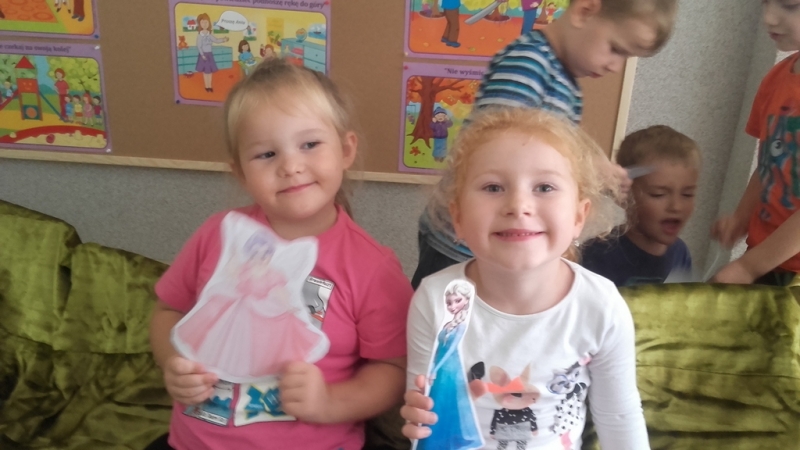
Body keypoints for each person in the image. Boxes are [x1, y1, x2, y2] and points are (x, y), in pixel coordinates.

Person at [146, 58, 413, 450]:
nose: (290, 165)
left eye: (309, 144)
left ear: (345, 150)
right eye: (266, 154)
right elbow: (168, 310)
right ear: (240, 171)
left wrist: (330, 403)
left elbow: (393, 369)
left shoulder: (373, 267)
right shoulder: (217, 234)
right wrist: (173, 361)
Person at [402, 107, 648, 450]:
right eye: (493, 187)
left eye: (544, 187)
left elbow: (619, 419)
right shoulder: (436, 299)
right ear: (458, 218)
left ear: (578, 217)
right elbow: (423, 410)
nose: (518, 205)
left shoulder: (601, 306)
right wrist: (419, 416)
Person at [412, 0, 680, 289]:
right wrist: (587, 166)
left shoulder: (566, 84)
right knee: (445, 313)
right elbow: (495, 150)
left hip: (503, 241)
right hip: (461, 245)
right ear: (585, 11)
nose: (615, 66)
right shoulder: (528, 63)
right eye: (615, 49)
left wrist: (591, 173)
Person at [711, 0, 800, 286]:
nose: (768, 18)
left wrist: (748, 268)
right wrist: (741, 217)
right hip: (764, 256)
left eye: (789, 4)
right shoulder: (775, 79)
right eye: (765, 2)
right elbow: (768, 166)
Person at [581, 125, 699, 286]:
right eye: (658, 194)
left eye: (687, 194)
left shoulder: (681, 254)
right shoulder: (595, 256)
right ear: (624, 196)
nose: (676, 206)